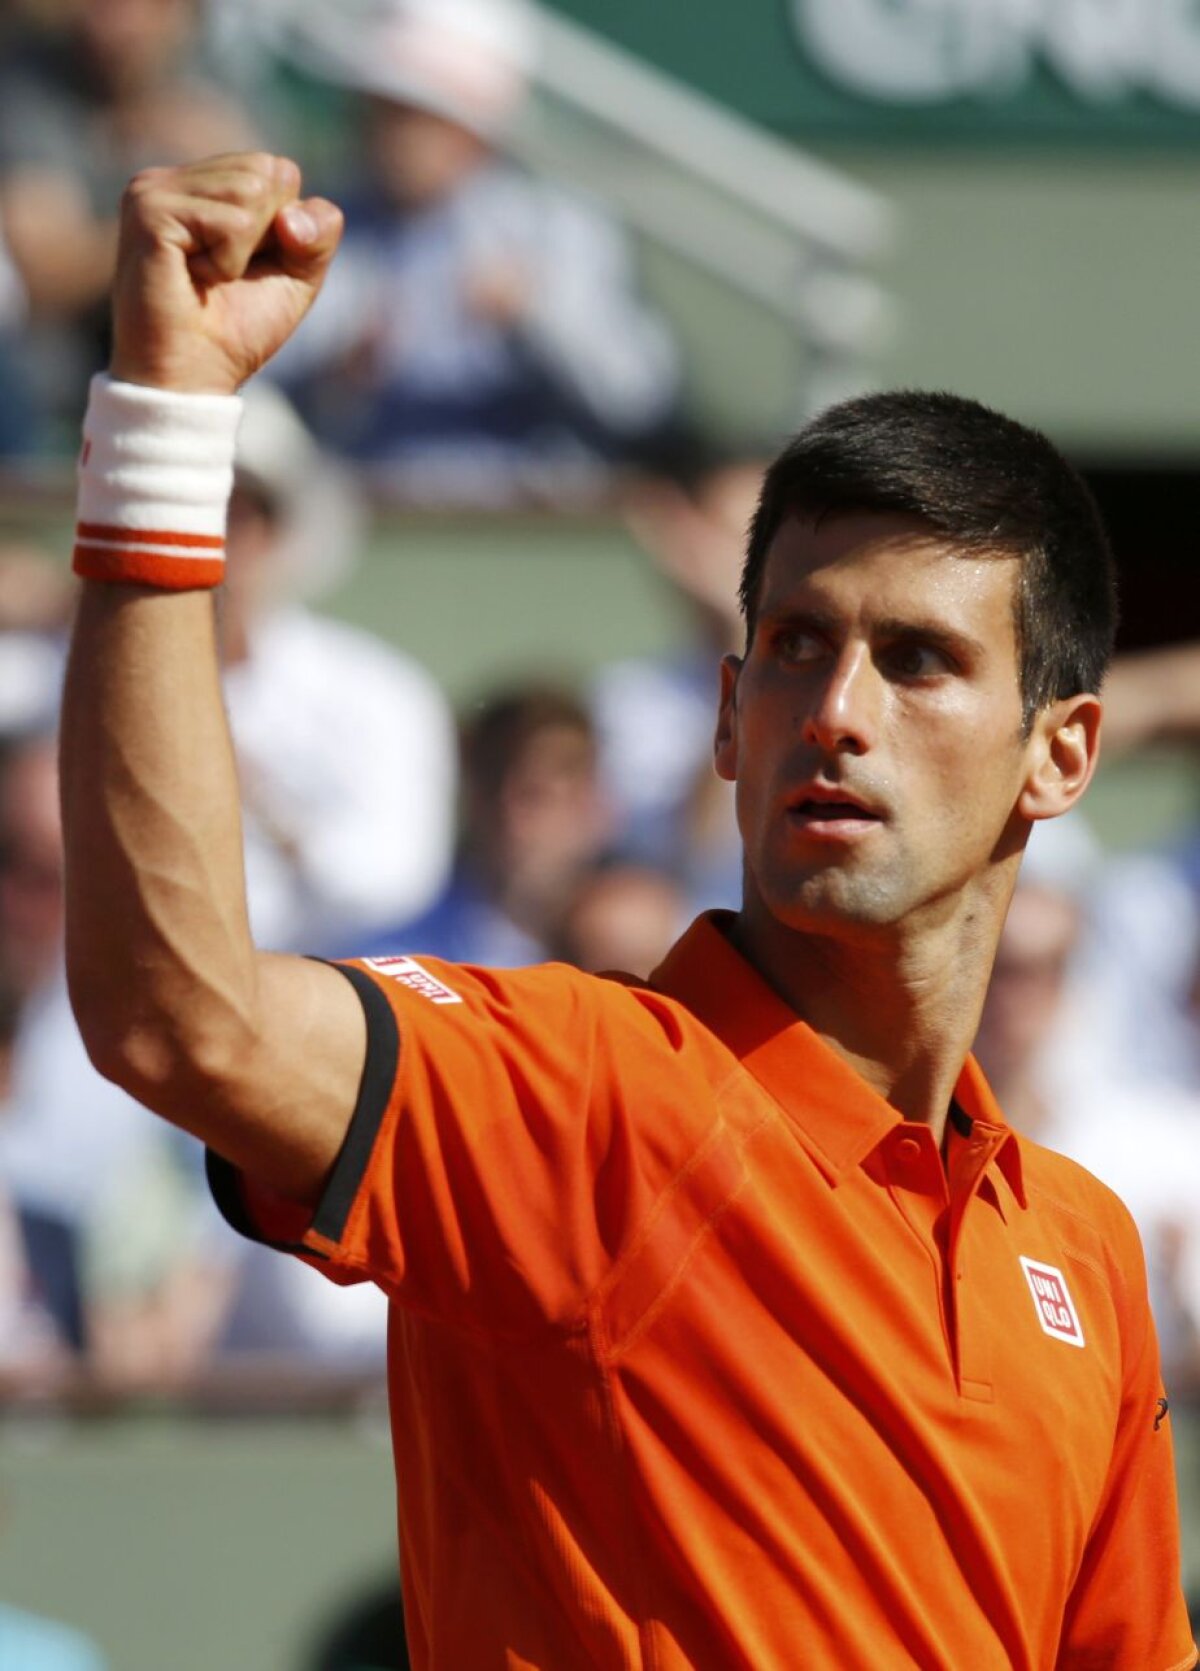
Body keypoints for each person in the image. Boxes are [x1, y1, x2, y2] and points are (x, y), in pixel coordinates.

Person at [58, 154, 1195, 1670]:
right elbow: (176, 1014)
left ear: (1060, 757)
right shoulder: (585, 1096)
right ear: (729, 717)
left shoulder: (1088, 1252)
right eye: (793, 646)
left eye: (918, 660)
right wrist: (168, 422)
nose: (837, 710)